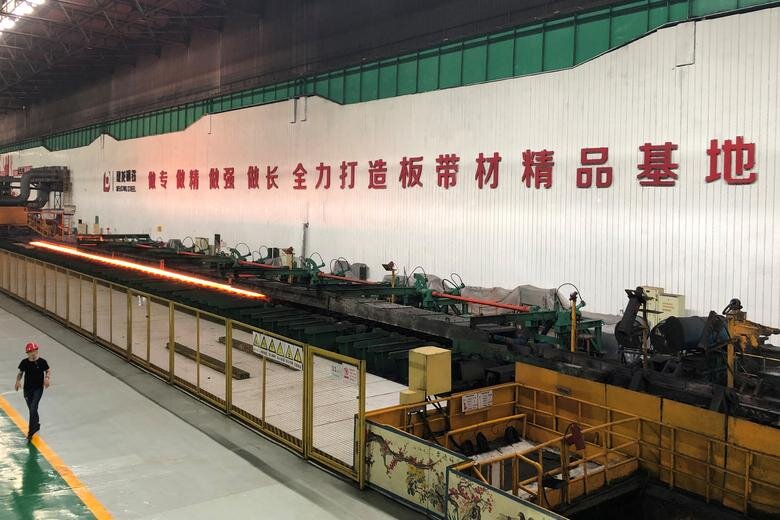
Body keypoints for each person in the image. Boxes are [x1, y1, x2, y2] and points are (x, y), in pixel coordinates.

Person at [14, 342, 51, 441]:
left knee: (33, 408)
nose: (33, 353)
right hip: (27, 389)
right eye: (30, 352)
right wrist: (18, 381)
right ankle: (37, 424)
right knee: (32, 409)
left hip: (38, 388)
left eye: (34, 351)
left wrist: (47, 378)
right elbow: (20, 373)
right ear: (27, 353)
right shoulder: (24, 363)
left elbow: (47, 370)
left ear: (37, 351)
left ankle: (30, 433)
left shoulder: (42, 362)